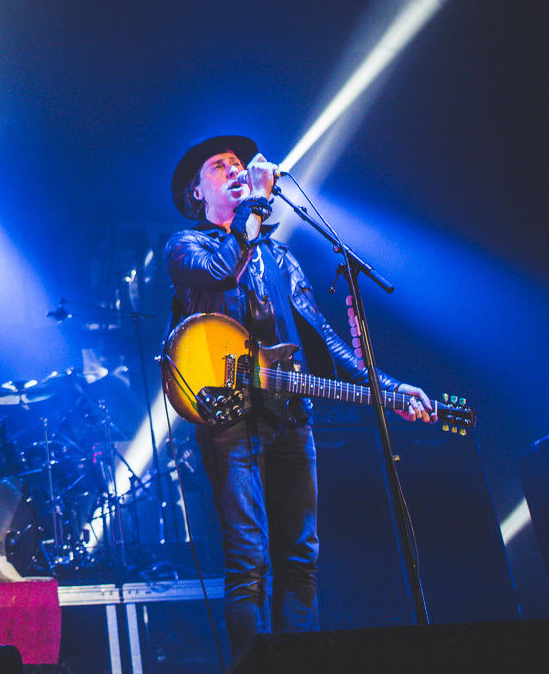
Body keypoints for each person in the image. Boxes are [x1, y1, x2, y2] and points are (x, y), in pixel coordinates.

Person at [164, 136, 435, 660]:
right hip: (230, 419)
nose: (235, 169)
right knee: (248, 561)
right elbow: (223, 272)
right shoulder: (186, 247)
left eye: (239, 163)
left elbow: (326, 343)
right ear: (197, 192)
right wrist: (256, 209)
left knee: (301, 558)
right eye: (219, 166)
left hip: (291, 415)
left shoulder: (281, 258)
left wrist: (391, 388)